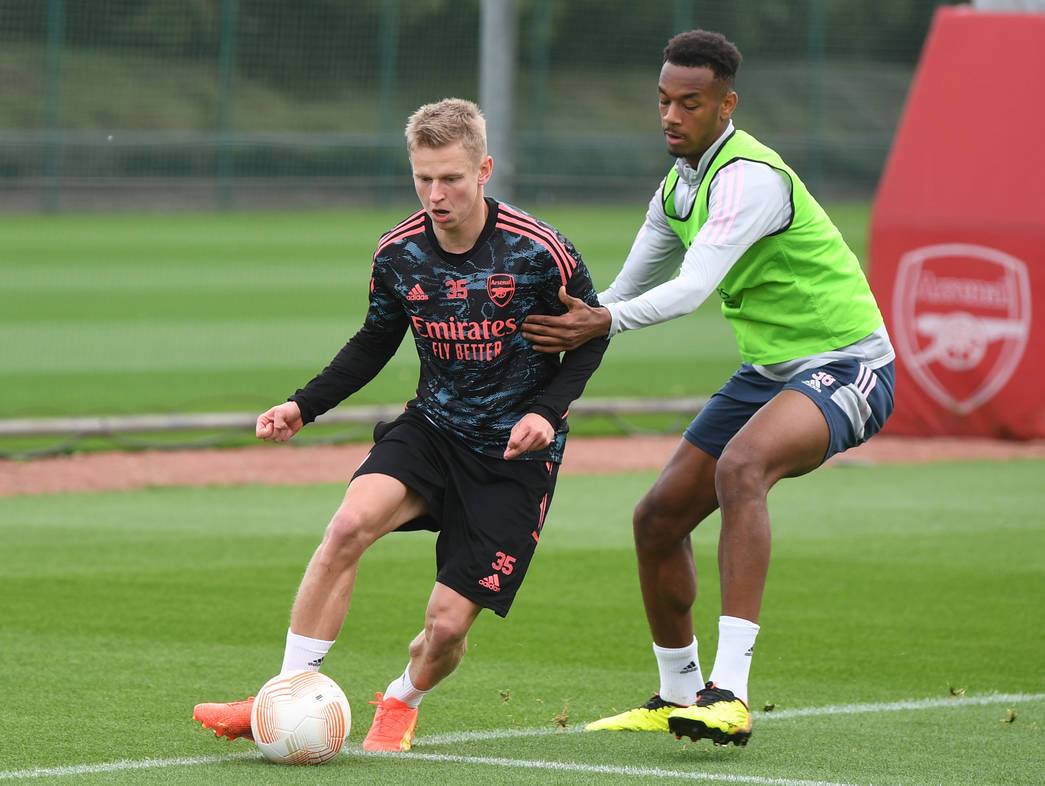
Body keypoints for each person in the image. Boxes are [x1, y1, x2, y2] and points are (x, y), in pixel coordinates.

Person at [194, 98, 608, 752]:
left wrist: (543, 411)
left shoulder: (538, 252)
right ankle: (283, 695)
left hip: (512, 455)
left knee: (444, 627)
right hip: (432, 430)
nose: (436, 194)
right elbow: (373, 342)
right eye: (423, 178)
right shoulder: (399, 253)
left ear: (484, 171)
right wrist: (303, 405)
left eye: (451, 178)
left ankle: (400, 698)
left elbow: (589, 336)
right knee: (347, 525)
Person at [521, 30, 895, 747]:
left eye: (688, 103)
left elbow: (689, 291)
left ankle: (729, 694)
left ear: (726, 104)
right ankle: (676, 695)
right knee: (656, 519)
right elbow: (621, 295)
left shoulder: (747, 178)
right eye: (662, 101)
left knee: (741, 466)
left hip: (851, 366)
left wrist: (598, 320)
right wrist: (556, 345)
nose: (670, 116)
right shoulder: (676, 187)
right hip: (769, 372)